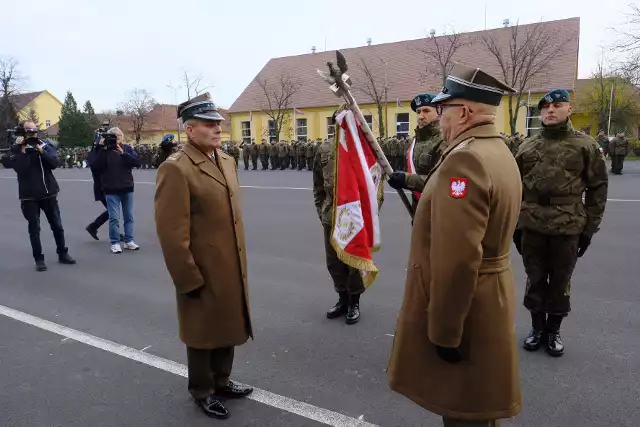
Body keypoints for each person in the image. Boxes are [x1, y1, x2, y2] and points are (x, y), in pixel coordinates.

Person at [387, 64, 523, 427]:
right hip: (489, 296)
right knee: (480, 409)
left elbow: (458, 260)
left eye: (444, 110)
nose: (441, 120)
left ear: (463, 112)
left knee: (465, 412)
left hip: (468, 310)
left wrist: (445, 332)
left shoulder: (465, 159)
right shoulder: (498, 150)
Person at [155, 94, 253, 419]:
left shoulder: (225, 160)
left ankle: (222, 381)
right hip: (201, 268)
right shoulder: (176, 169)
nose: (218, 128)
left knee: (227, 323)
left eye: (219, 123)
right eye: (210, 124)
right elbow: (172, 233)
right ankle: (202, 390)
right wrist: (188, 279)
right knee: (201, 332)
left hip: (229, 263)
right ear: (190, 129)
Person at [514, 89, 608, 357]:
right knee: (534, 278)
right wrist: (515, 226)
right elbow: (513, 187)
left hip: (567, 225)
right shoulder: (527, 145)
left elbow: (598, 188)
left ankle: (553, 331)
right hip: (531, 224)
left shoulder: (585, 145)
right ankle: (536, 329)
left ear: (569, 109)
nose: (550, 110)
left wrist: (589, 230)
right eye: (545, 107)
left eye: (557, 105)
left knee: (560, 280)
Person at [312, 108, 383, 325]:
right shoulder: (324, 149)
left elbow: (376, 187)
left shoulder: (364, 150)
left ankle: (354, 302)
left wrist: (370, 215)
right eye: (339, 122)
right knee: (334, 263)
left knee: (354, 264)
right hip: (330, 216)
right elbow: (317, 186)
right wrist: (322, 211)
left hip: (356, 218)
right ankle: (342, 299)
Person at [1, 122, 76, 271]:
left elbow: (55, 163)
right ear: (22, 133)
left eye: (34, 132)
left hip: (49, 193)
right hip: (29, 196)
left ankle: (62, 253)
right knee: (34, 229)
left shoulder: (44, 145)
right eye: (28, 133)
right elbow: (19, 167)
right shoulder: (16, 150)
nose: (32, 136)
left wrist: (41, 151)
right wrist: (21, 150)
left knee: (57, 226)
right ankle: (39, 259)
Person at [89, 127, 141, 254]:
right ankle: (115, 243)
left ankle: (129, 241)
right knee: (114, 218)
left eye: (119, 136)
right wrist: (101, 148)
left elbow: (137, 162)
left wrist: (123, 153)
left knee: (129, 217)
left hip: (127, 187)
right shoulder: (104, 151)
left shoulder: (127, 149)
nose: (117, 138)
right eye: (114, 136)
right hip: (111, 189)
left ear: (122, 137)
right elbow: (95, 167)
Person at [392, 93, 444, 213]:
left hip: (437, 210)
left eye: (426, 111)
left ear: (439, 113)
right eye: (418, 112)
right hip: (418, 209)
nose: (421, 116)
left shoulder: (444, 141)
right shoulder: (416, 140)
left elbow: (442, 181)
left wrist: (406, 180)